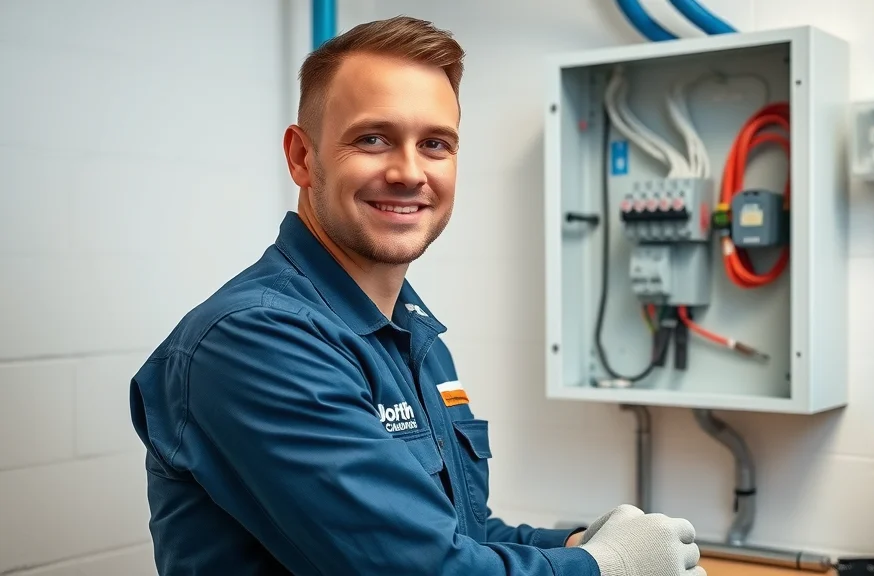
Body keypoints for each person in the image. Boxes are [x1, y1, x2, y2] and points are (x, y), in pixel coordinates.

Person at [129, 15, 706, 576]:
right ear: (303, 157)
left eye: (435, 144)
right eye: (373, 139)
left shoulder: (414, 338)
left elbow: (456, 536)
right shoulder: (255, 340)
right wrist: (601, 568)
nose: (409, 172)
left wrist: (579, 543)